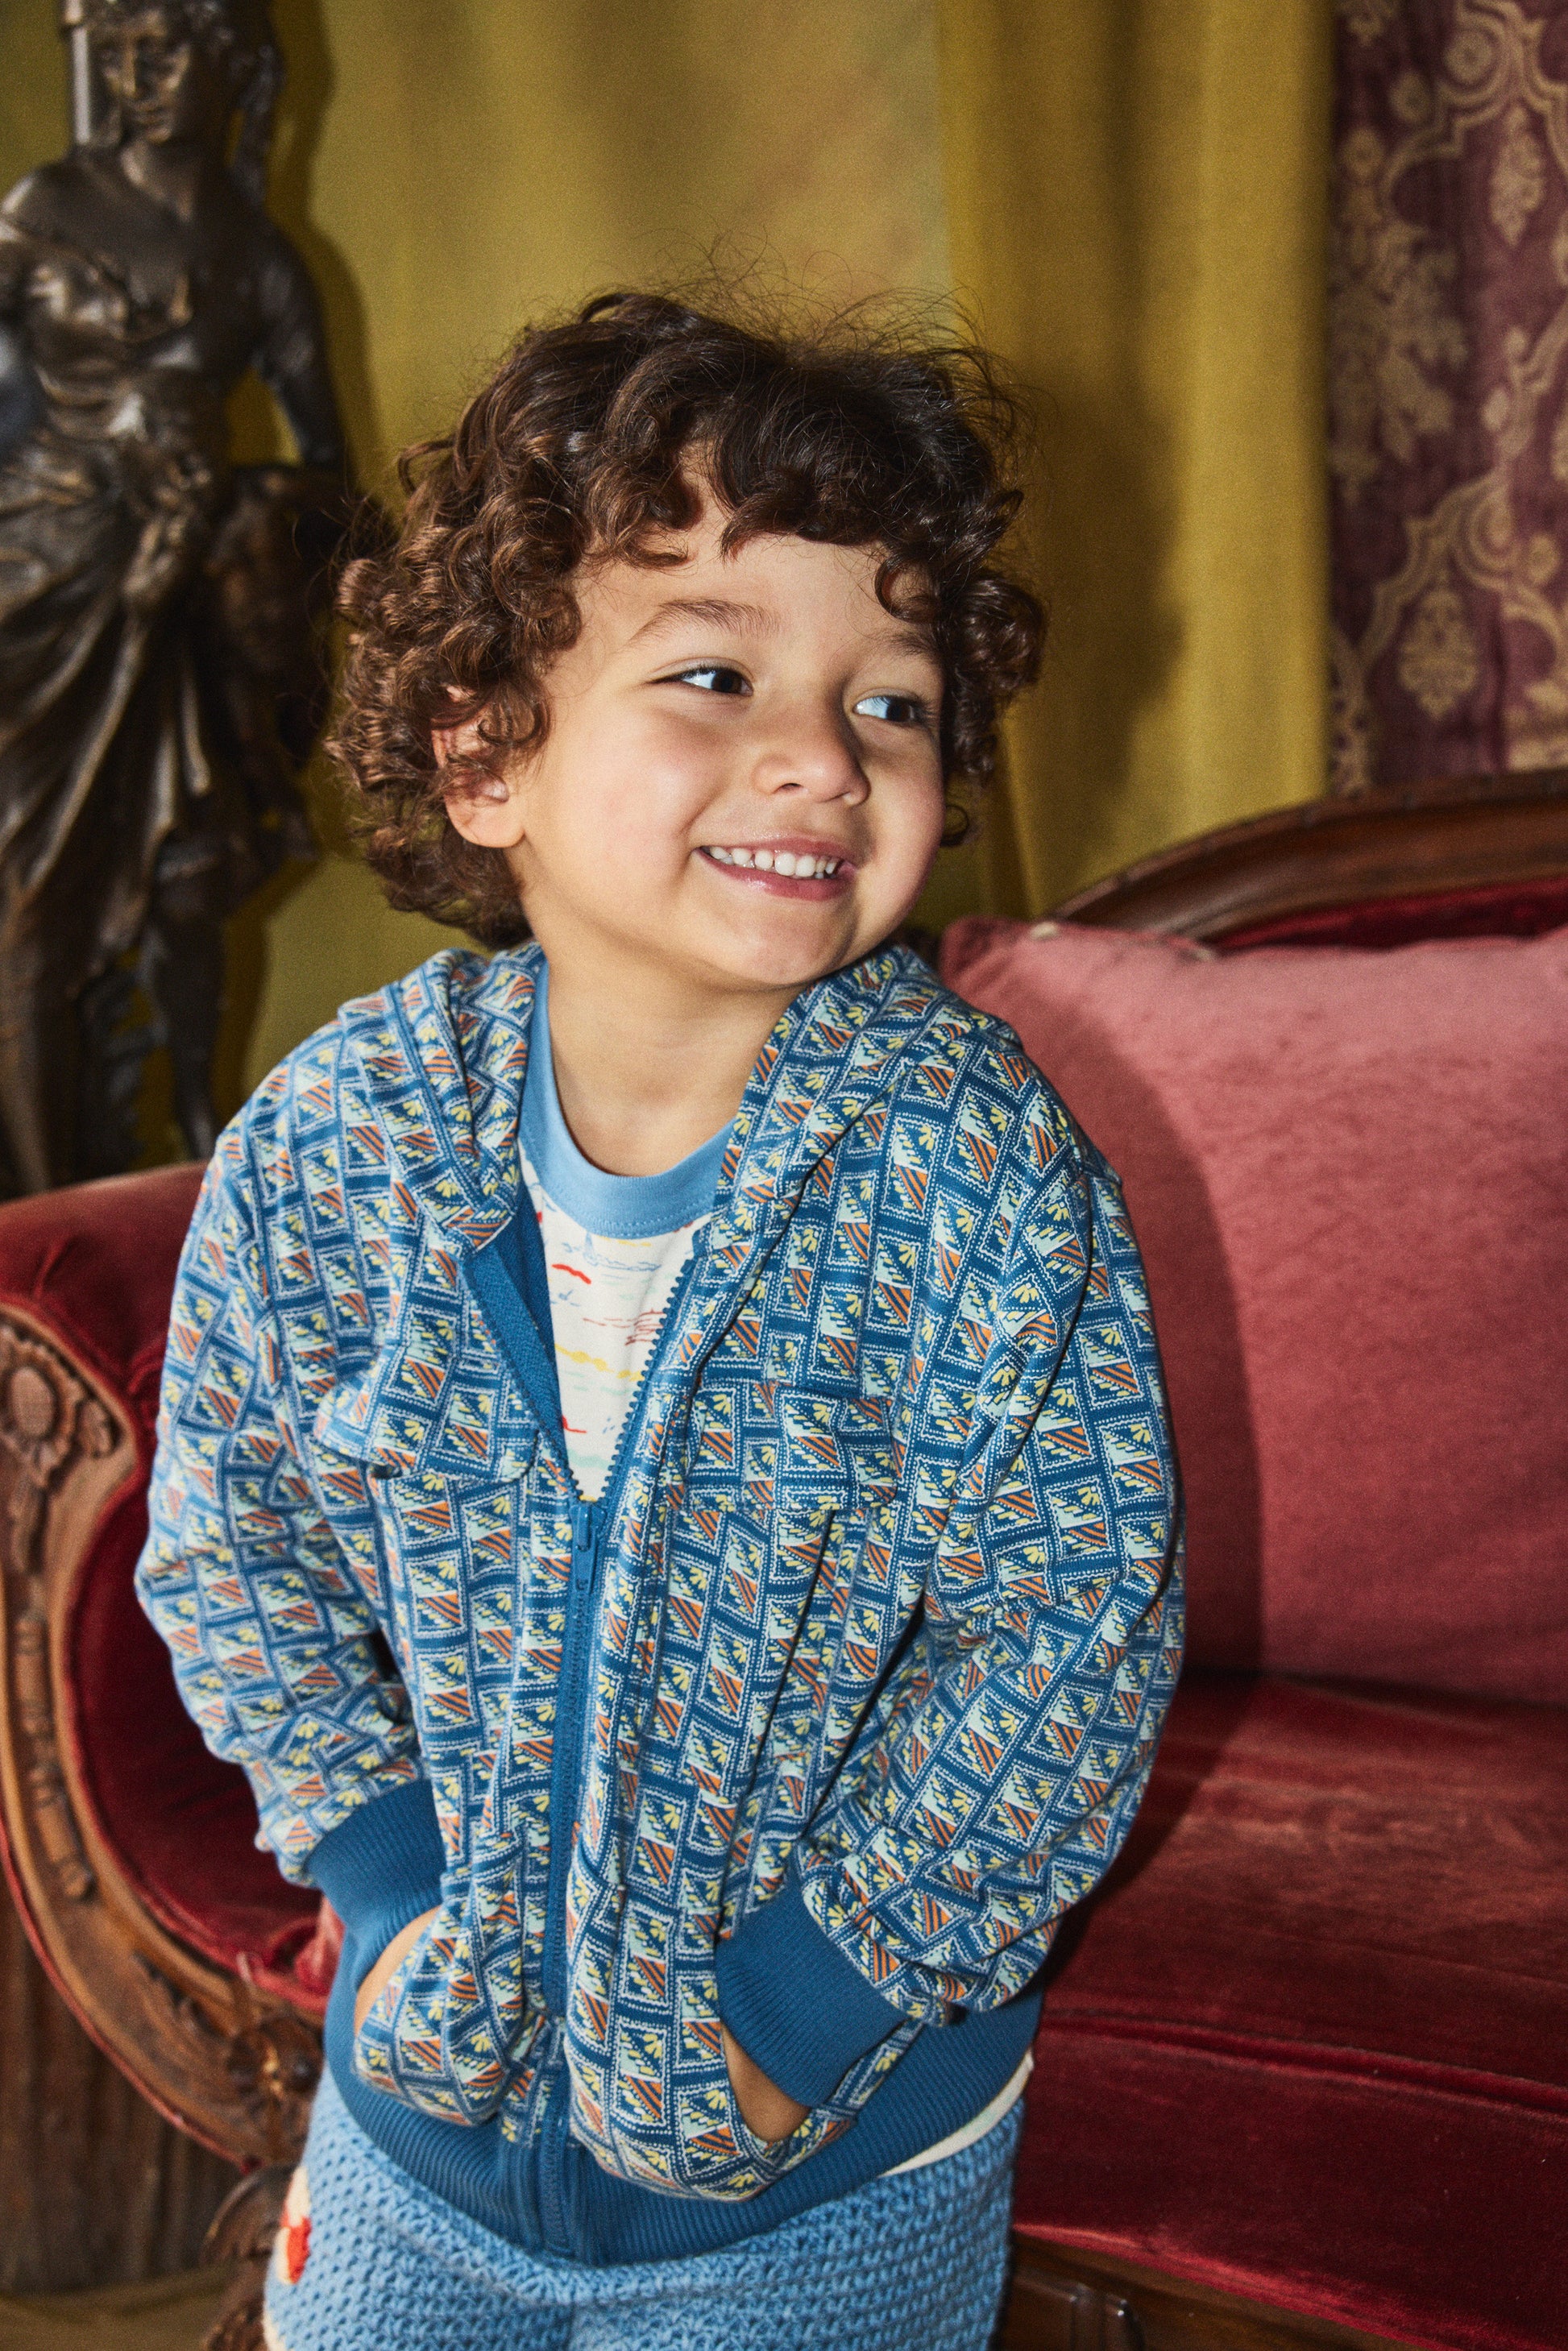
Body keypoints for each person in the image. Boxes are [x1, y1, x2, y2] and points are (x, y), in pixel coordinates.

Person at [137, 292, 1184, 2351]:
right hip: (416, 2142)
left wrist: (812, 2001)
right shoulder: (338, 1149)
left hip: (830, 2170)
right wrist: (382, 1875)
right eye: (714, 672)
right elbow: (235, 1547)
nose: (822, 755)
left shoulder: (973, 1176)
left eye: (891, 702)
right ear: (484, 753)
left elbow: (1070, 1638)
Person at [0, 0, 345, 1192]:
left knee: (185, 885)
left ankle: (202, 1155)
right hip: (34, 593)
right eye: (123, 51)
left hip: (181, 599)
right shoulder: (45, 208)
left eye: (170, 47)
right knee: (31, 905)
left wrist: (235, 508)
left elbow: (326, 471)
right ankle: (38, 1218)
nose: (138, 74)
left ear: (233, 64)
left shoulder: (259, 259)